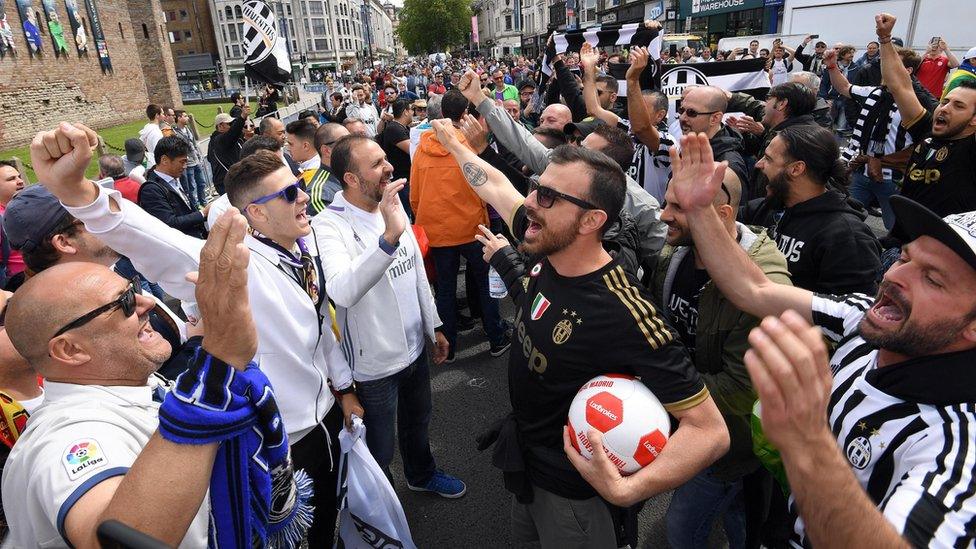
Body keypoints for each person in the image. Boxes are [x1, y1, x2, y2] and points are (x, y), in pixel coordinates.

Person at [37, 122, 360, 546]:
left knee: (333, 517)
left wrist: (345, 388)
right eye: (288, 193)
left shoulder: (307, 243)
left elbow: (321, 328)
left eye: (297, 183)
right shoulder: (235, 265)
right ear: (257, 214)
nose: (303, 196)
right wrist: (79, 193)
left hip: (328, 417)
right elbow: (157, 241)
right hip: (283, 439)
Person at [666, 127, 976, 549]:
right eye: (904, 257)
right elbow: (753, 289)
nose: (894, 277)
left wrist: (807, 441)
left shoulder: (956, 450)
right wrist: (701, 210)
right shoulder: (863, 321)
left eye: (933, 279)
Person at [430, 118, 728, 546]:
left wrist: (628, 490)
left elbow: (709, 431)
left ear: (591, 221)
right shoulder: (546, 236)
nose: (530, 202)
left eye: (547, 196)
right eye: (535, 187)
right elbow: (494, 184)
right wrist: (456, 146)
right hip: (527, 465)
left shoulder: (624, 310)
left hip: (573, 496)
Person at [1, 206, 312, 548]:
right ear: (70, 350)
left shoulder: (136, 384)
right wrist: (218, 364)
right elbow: (111, 539)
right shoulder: (63, 439)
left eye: (133, 287)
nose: (147, 302)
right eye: (123, 302)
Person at [314, 134, 466, 498]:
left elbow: (415, 273)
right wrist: (388, 238)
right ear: (351, 179)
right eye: (377, 164)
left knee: (418, 423)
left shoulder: (392, 203)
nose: (389, 167)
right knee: (379, 446)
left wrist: (436, 326)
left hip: (415, 349)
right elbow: (343, 290)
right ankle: (381, 508)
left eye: (386, 158)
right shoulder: (328, 225)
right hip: (373, 366)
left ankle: (421, 473)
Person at [654, 162, 792, 549]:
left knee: (683, 528)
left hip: (728, 444)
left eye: (677, 207)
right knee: (737, 513)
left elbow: (741, 389)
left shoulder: (764, 283)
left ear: (722, 213)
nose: (664, 216)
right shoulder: (676, 251)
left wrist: (659, 391)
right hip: (689, 419)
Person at [410, 90, 510, 361]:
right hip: (471, 227)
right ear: (465, 114)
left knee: (445, 289)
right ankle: (496, 337)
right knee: (484, 285)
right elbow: (485, 187)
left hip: (437, 231)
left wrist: (424, 219)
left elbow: (415, 194)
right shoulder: (468, 144)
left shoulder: (422, 147)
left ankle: (449, 347)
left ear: (441, 113)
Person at [744, 125, 881, 295]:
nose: (759, 164)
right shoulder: (763, 208)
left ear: (796, 169)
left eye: (768, 158)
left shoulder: (847, 237)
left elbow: (849, 314)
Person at [874, 13, 976, 219]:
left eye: (958, 106)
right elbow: (900, 85)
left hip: (941, 249)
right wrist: (885, 39)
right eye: (945, 101)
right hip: (901, 244)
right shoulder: (927, 131)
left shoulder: (971, 150)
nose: (945, 108)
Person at [678, 86, 749, 192]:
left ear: (715, 118)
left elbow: (733, 207)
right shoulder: (690, 149)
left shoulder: (729, 165)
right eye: (681, 110)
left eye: (691, 112)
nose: (682, 118)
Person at [138, 137, 209, 239]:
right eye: (182, 162)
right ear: (164, 160)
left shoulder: (173, 179)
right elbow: (169, 223)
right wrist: (203, 213)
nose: (185, 166)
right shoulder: (151, 190)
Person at [377, 98, 415, 220]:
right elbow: (412, 150)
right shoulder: (395, 129)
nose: (413, 113)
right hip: (402, 181)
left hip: (406, 179)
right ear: (405, 112)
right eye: (411, 110)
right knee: (405, 214)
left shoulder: (401, 127)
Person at [305, 123, 350, 217]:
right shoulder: (319, 194)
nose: (353, 145)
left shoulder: (352, 173)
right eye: (345, 141)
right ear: (326, 151)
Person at [208, 106, 249, 194]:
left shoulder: (226, 140)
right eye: (229, 124)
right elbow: (233, 133)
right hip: (227, 183)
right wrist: (242, 117)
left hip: (234, 179)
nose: (232, 126)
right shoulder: (219, 140)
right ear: (220, 126)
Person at [172, 110, 208, 209]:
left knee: (201, 182)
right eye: (185, 116)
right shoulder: (174, 132)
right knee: (191, 186)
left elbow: (194, 143)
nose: (187, 118)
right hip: (187, 163)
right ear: (179, 118)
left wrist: (199, 155)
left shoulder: (188, 129)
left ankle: (203, 202)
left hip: (196, 160)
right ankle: (195, 206)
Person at [0, 161, 25, 289]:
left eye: (19, 176)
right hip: (17, 283)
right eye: (11, 179)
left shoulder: (23, 206)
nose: (20, 181)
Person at [286, 118, 321, 184]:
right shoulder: (321, 164)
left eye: (291, 144)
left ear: (305, 146)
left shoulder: (310, 178)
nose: (288, 148)